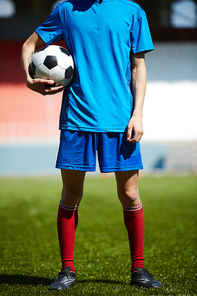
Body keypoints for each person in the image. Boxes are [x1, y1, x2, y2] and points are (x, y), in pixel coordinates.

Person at [21, 0, 162, 291]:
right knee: (71, 194)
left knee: (130, 193)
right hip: (76, 119)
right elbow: (29, 45)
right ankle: (67, 270)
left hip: (120, 120)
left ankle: (139, 269)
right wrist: (29, 79)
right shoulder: (65, 10)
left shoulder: (133, 11)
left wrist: (137, 114)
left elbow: (139, 67)